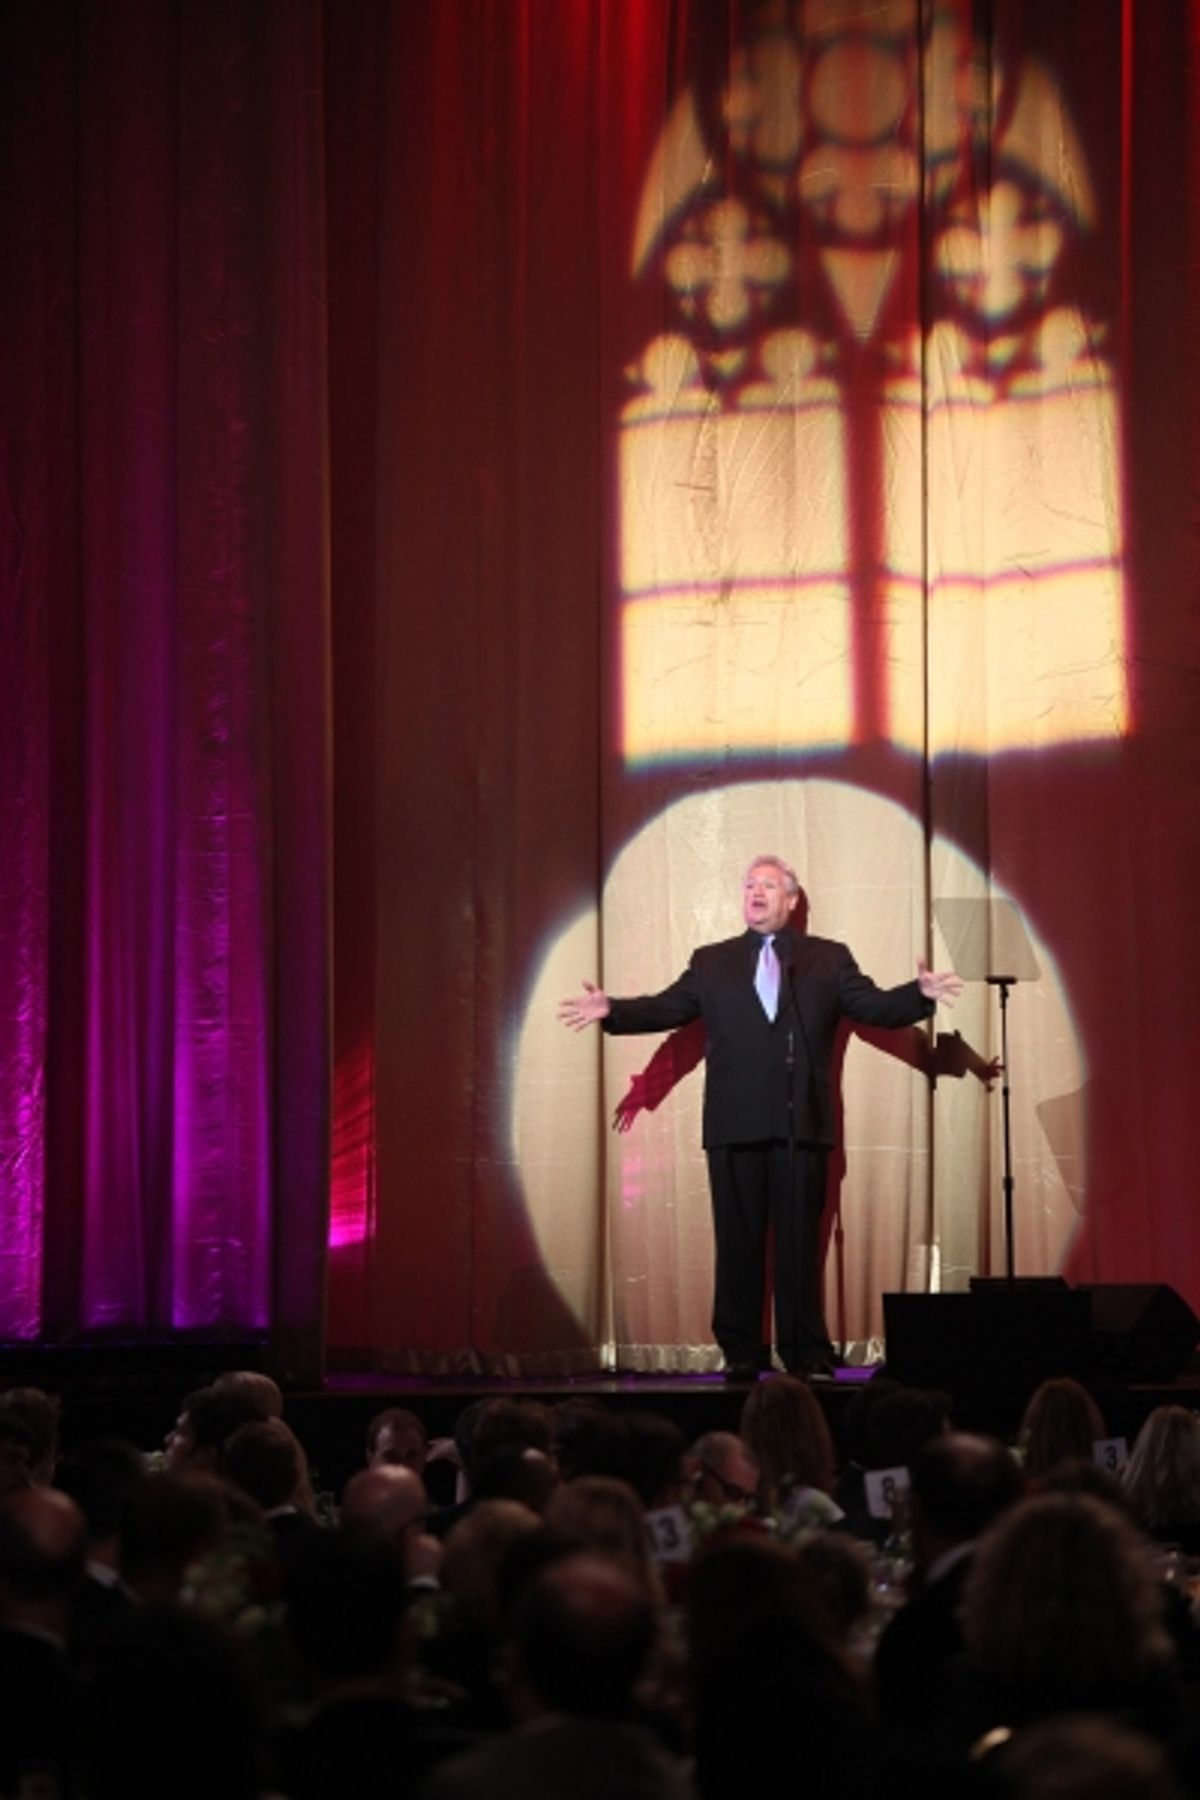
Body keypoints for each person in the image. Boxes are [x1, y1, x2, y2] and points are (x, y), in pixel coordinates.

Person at [559, 854, 961, 1376]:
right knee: (738, 1246)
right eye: (749, 884)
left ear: (791, 900)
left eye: (768, 885)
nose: (756, 892)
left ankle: (804, 1351)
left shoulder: (827, 958)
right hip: (734, 1123)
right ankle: (741, 1352)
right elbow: (668, 1007)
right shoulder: (712, 961)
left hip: (802, 1125)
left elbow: (874, 1007)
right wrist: (614, 1010)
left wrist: (918, 996)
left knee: (799, 1247)